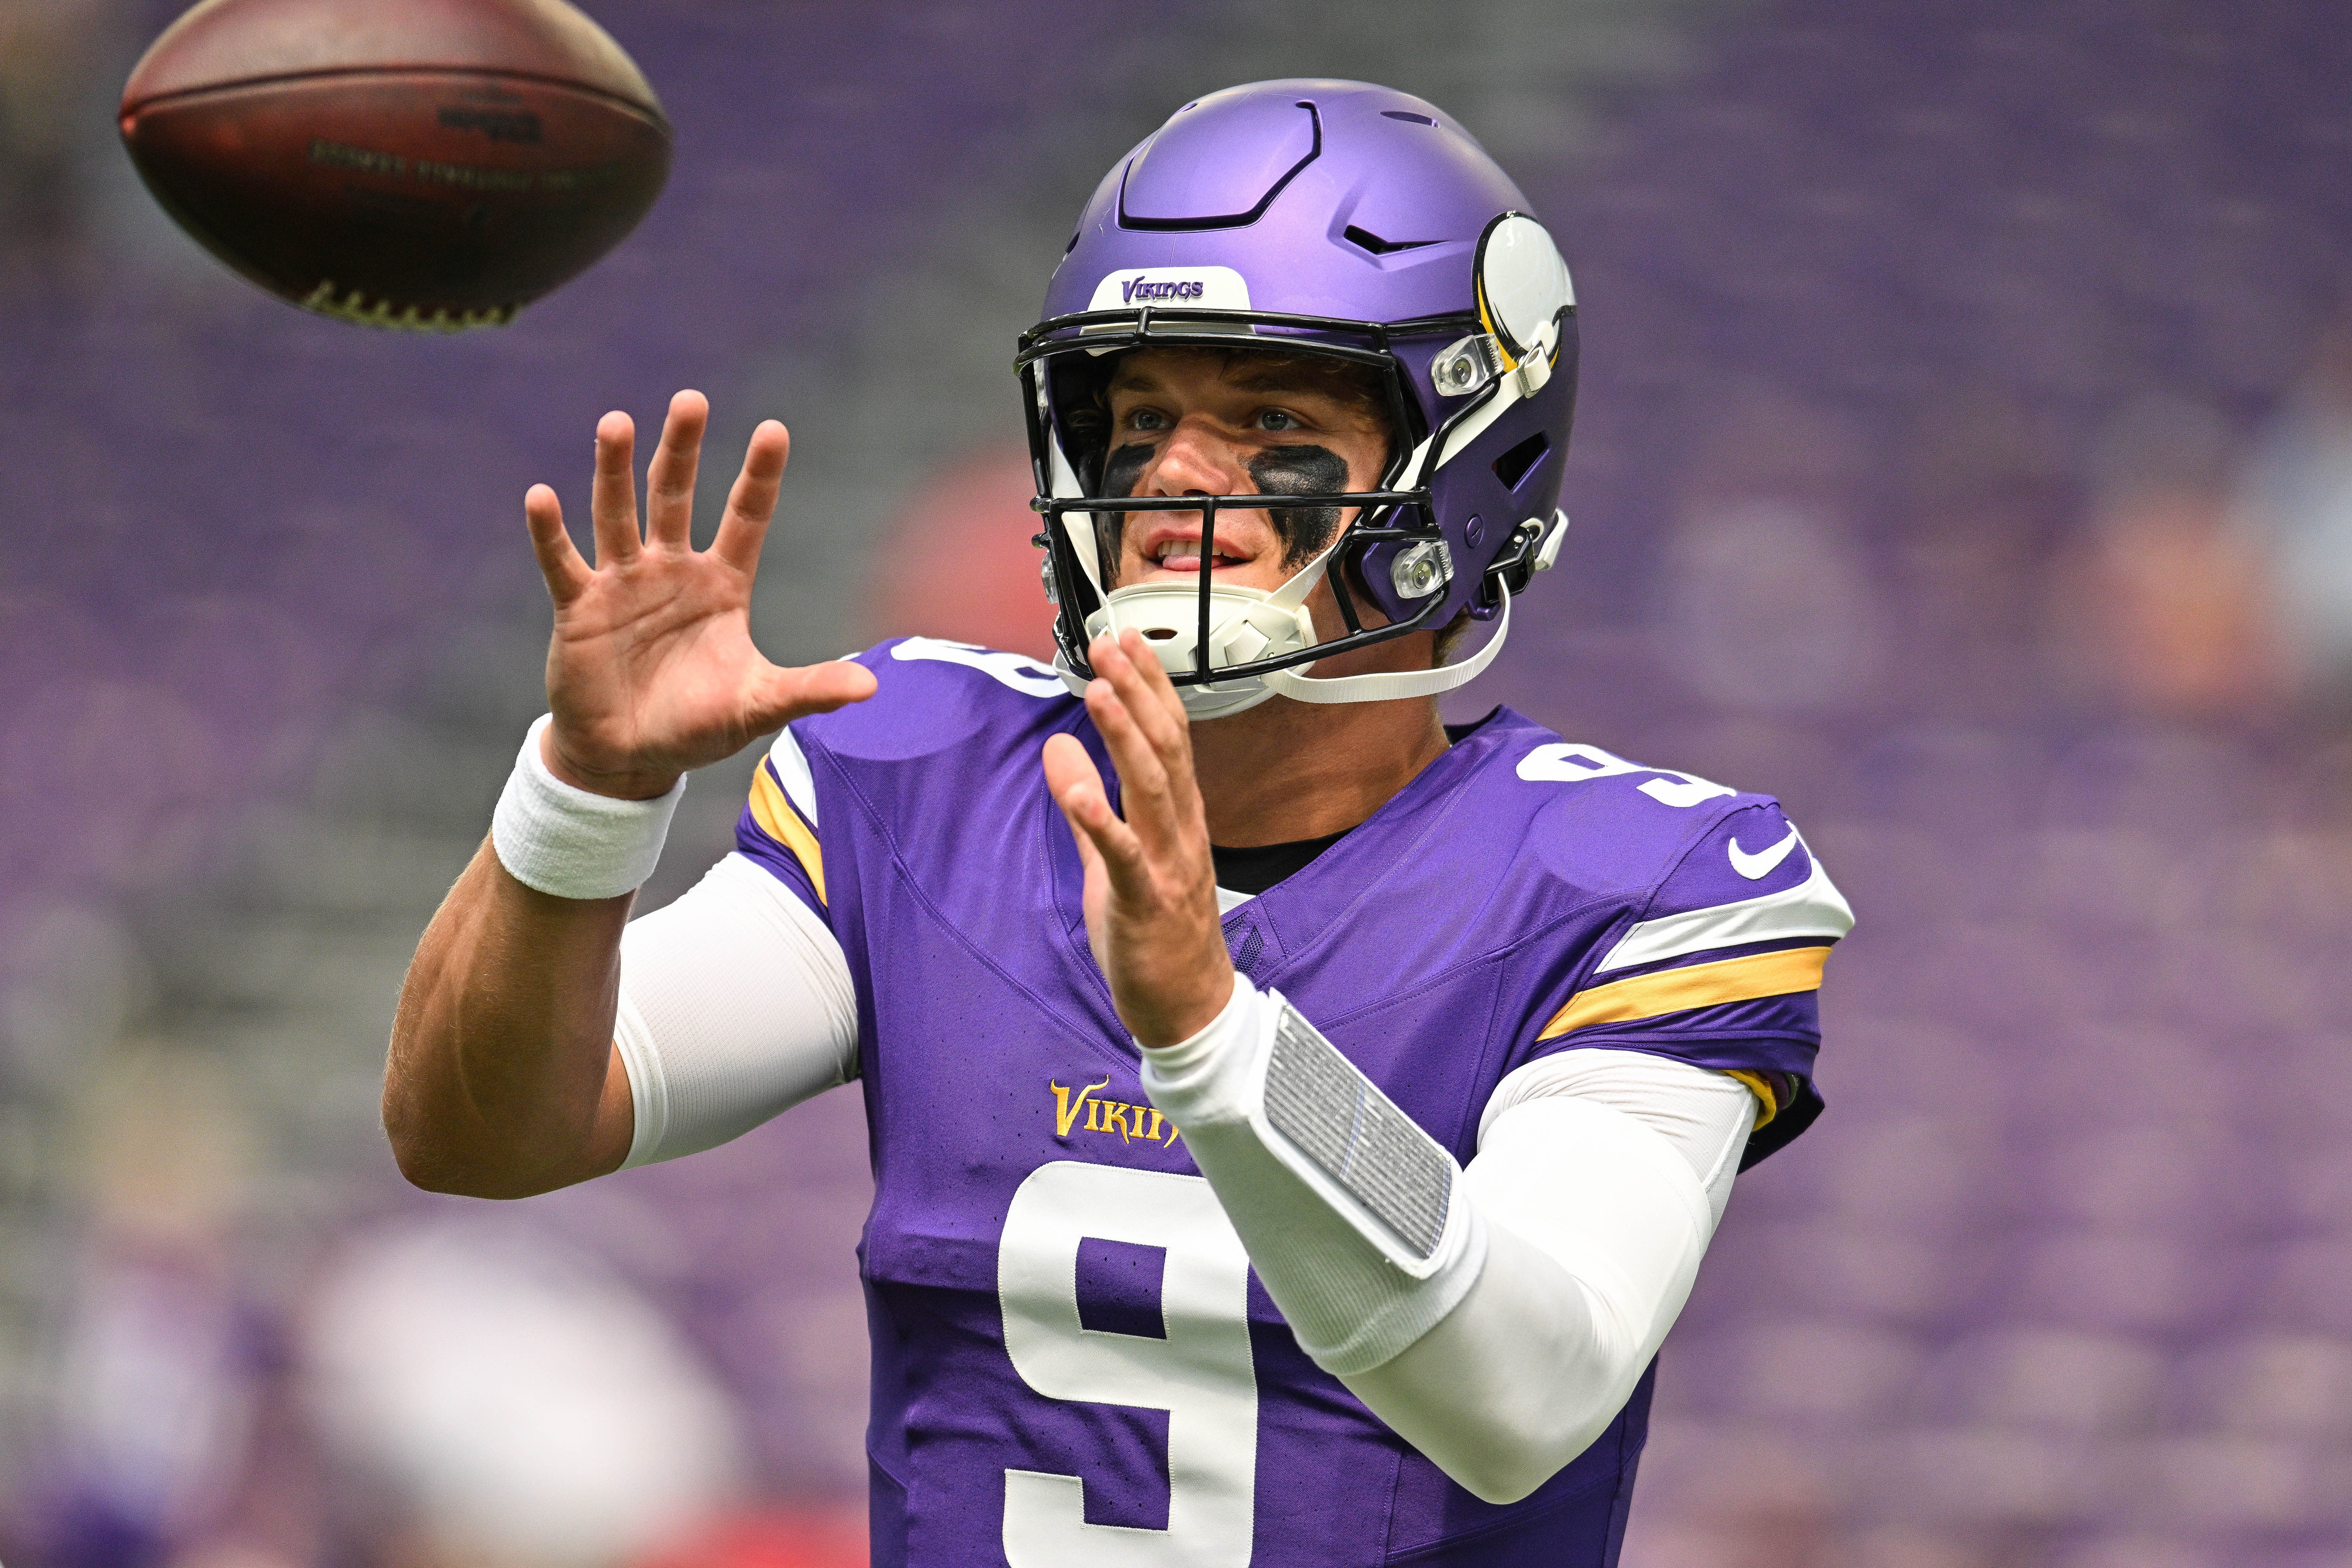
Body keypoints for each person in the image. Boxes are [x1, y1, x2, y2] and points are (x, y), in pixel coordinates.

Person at [385, 79, 1853, 1568]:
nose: (1168, 479)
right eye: (1139, 417)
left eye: (1270, 417)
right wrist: (587, 793)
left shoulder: (1644, 887)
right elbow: (480, 1127)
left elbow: (1530, 1387)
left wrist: (1221, 1037)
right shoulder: (922, 771)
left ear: (1467, 460)